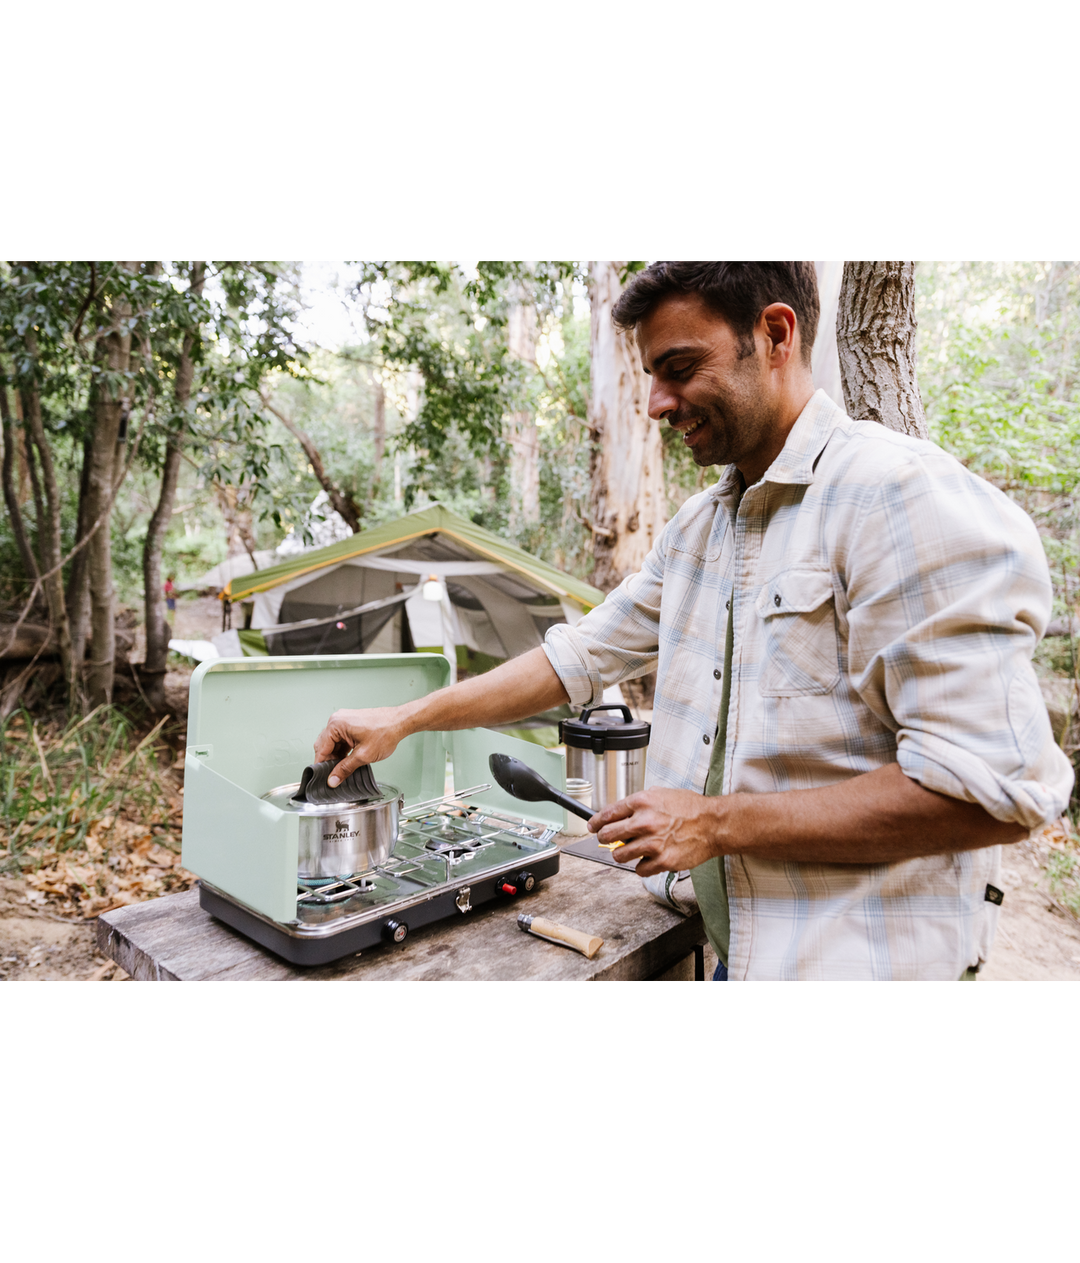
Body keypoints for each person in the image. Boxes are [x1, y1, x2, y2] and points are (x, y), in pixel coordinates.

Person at [314, 259, 1074, 984]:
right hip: (734, 953)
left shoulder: (899, 497)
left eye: (679, 367)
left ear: (776, 335)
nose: (654, 403)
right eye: (649, 375)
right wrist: (405, 718)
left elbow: (991, 792)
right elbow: (575, 658)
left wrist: (714, 823)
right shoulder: (699, 529)